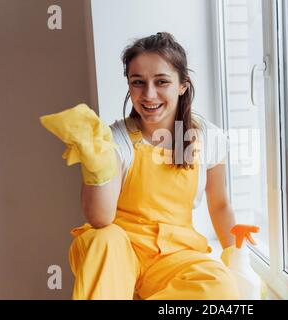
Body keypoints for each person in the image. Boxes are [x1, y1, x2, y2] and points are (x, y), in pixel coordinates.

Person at [61, 32, 241, 300]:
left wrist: (237, 260)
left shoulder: (209, 138)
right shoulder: (115, 139)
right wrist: (95, 165)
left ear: (182, 85)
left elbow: (220, 205)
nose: (149, 94)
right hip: (120, 253)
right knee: (103, 239)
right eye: (138, 82)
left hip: (175, 255)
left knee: (220, 286)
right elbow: (100, 219)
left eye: (161, 82)